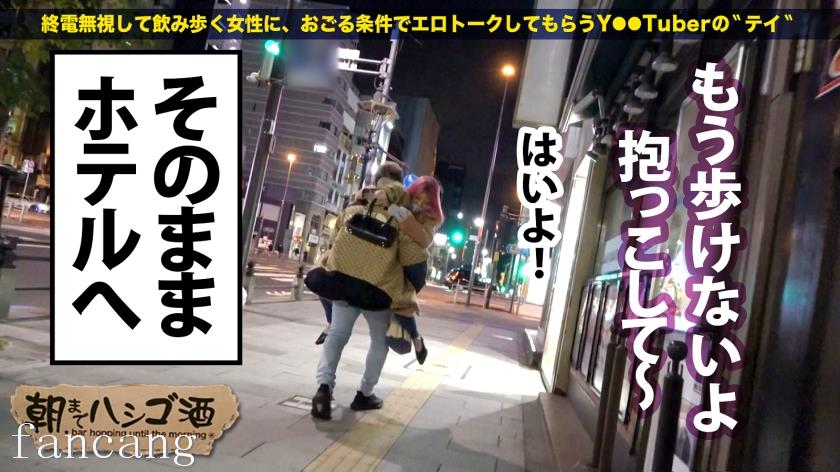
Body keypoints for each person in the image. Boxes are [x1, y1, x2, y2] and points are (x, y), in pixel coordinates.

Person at [311, 161, 408, 420]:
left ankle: (323, 389)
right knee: (379, 341)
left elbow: (334, 241)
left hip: (344, 284)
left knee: (337, 334)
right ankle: (364, 394)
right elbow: (408, 257)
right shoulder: (401, 218)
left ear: (376, 182)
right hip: (377, 290)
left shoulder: (353, 208)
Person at [315, 175, 444, 366]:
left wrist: (405, 219)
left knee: (403, 301)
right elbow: (374, 195)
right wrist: (366, 194)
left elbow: (425, 240)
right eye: (417, 198)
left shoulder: (429, 218)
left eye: (425, 203)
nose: (419, 204)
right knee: (323, 278)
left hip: (411, 261)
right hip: (385, 255)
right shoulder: (397, 198)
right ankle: (331, 321)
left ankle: (416, 339)